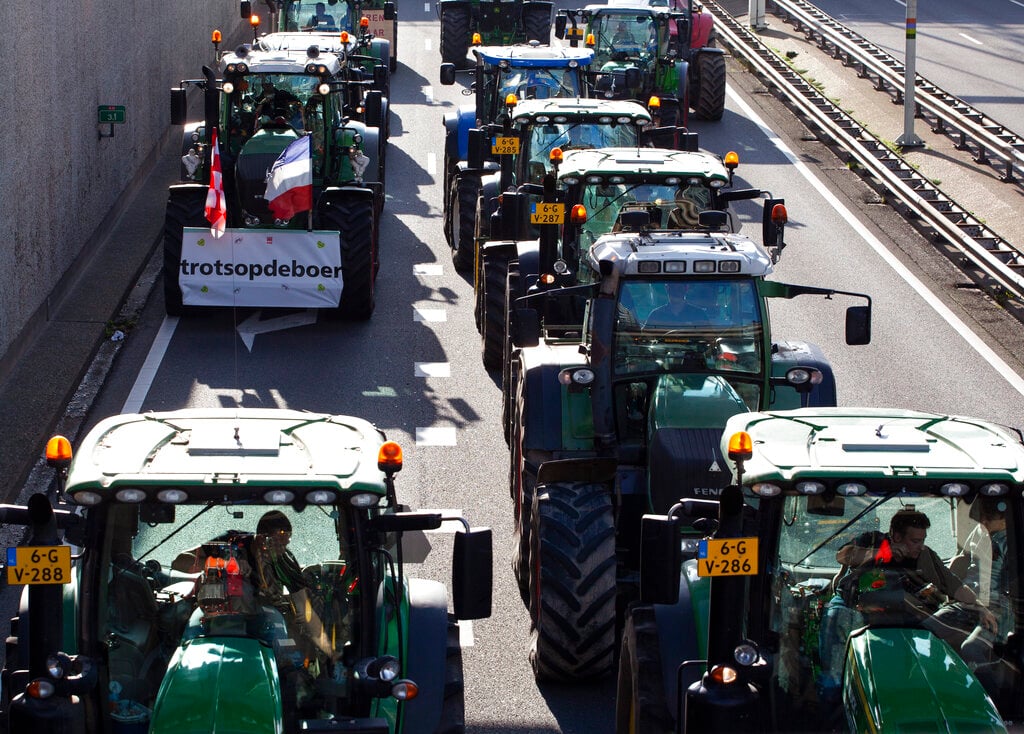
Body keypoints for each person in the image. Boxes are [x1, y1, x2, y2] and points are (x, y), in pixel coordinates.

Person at [644, 281, 721, 327]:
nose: (676, 292)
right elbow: (644, 338)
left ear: (686, 289)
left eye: (680, 288)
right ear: (667, 288)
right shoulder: (656, 315)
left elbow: (709, 339)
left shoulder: (699, 314)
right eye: (673, 288)